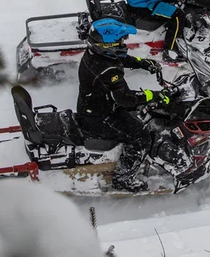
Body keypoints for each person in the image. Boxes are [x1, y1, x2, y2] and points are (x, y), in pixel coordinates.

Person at [74, 17, 178, 192]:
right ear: (108, 45)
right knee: (141, 137)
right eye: (120, 42)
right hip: (100, 116)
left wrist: (142, 63)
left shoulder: (98, 55)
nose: (123, 44)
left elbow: (119, 58)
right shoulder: (106, 69)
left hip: (97, 104)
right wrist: (155, 95)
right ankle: (123, 179)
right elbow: (125, 98)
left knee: (141, 113)